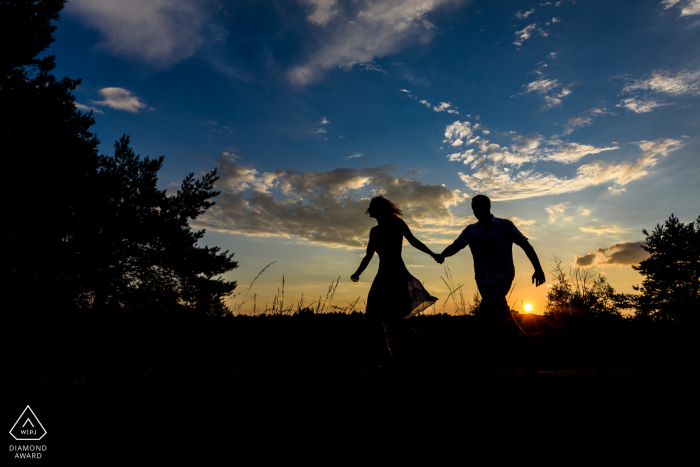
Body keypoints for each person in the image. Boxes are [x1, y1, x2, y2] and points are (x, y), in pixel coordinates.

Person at [433, 195, 545, 369]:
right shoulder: (471, 230)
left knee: (488, 315)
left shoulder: (504, 225)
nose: (476, 212)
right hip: (483, 280)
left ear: (488, 207)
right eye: (473, 208)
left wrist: (538, 269)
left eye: (478, 208)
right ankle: (505, 358)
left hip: (503, 278)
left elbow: (525, 245)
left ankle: (525, 355)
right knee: (491, 319)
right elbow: (456, 245)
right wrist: (442, 255)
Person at [351, 196, 439, 366]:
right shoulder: (374, 231)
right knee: (372, 316)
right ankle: (390, 351)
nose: (369, 210)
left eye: (372, 207)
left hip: (396, 273)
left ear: (380, 209)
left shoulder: (397, 224)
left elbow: (413, 241)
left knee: (391, 317)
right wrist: (357, 273)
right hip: (382, 275)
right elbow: (368, 255)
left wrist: (433, 253)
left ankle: (411, 344)